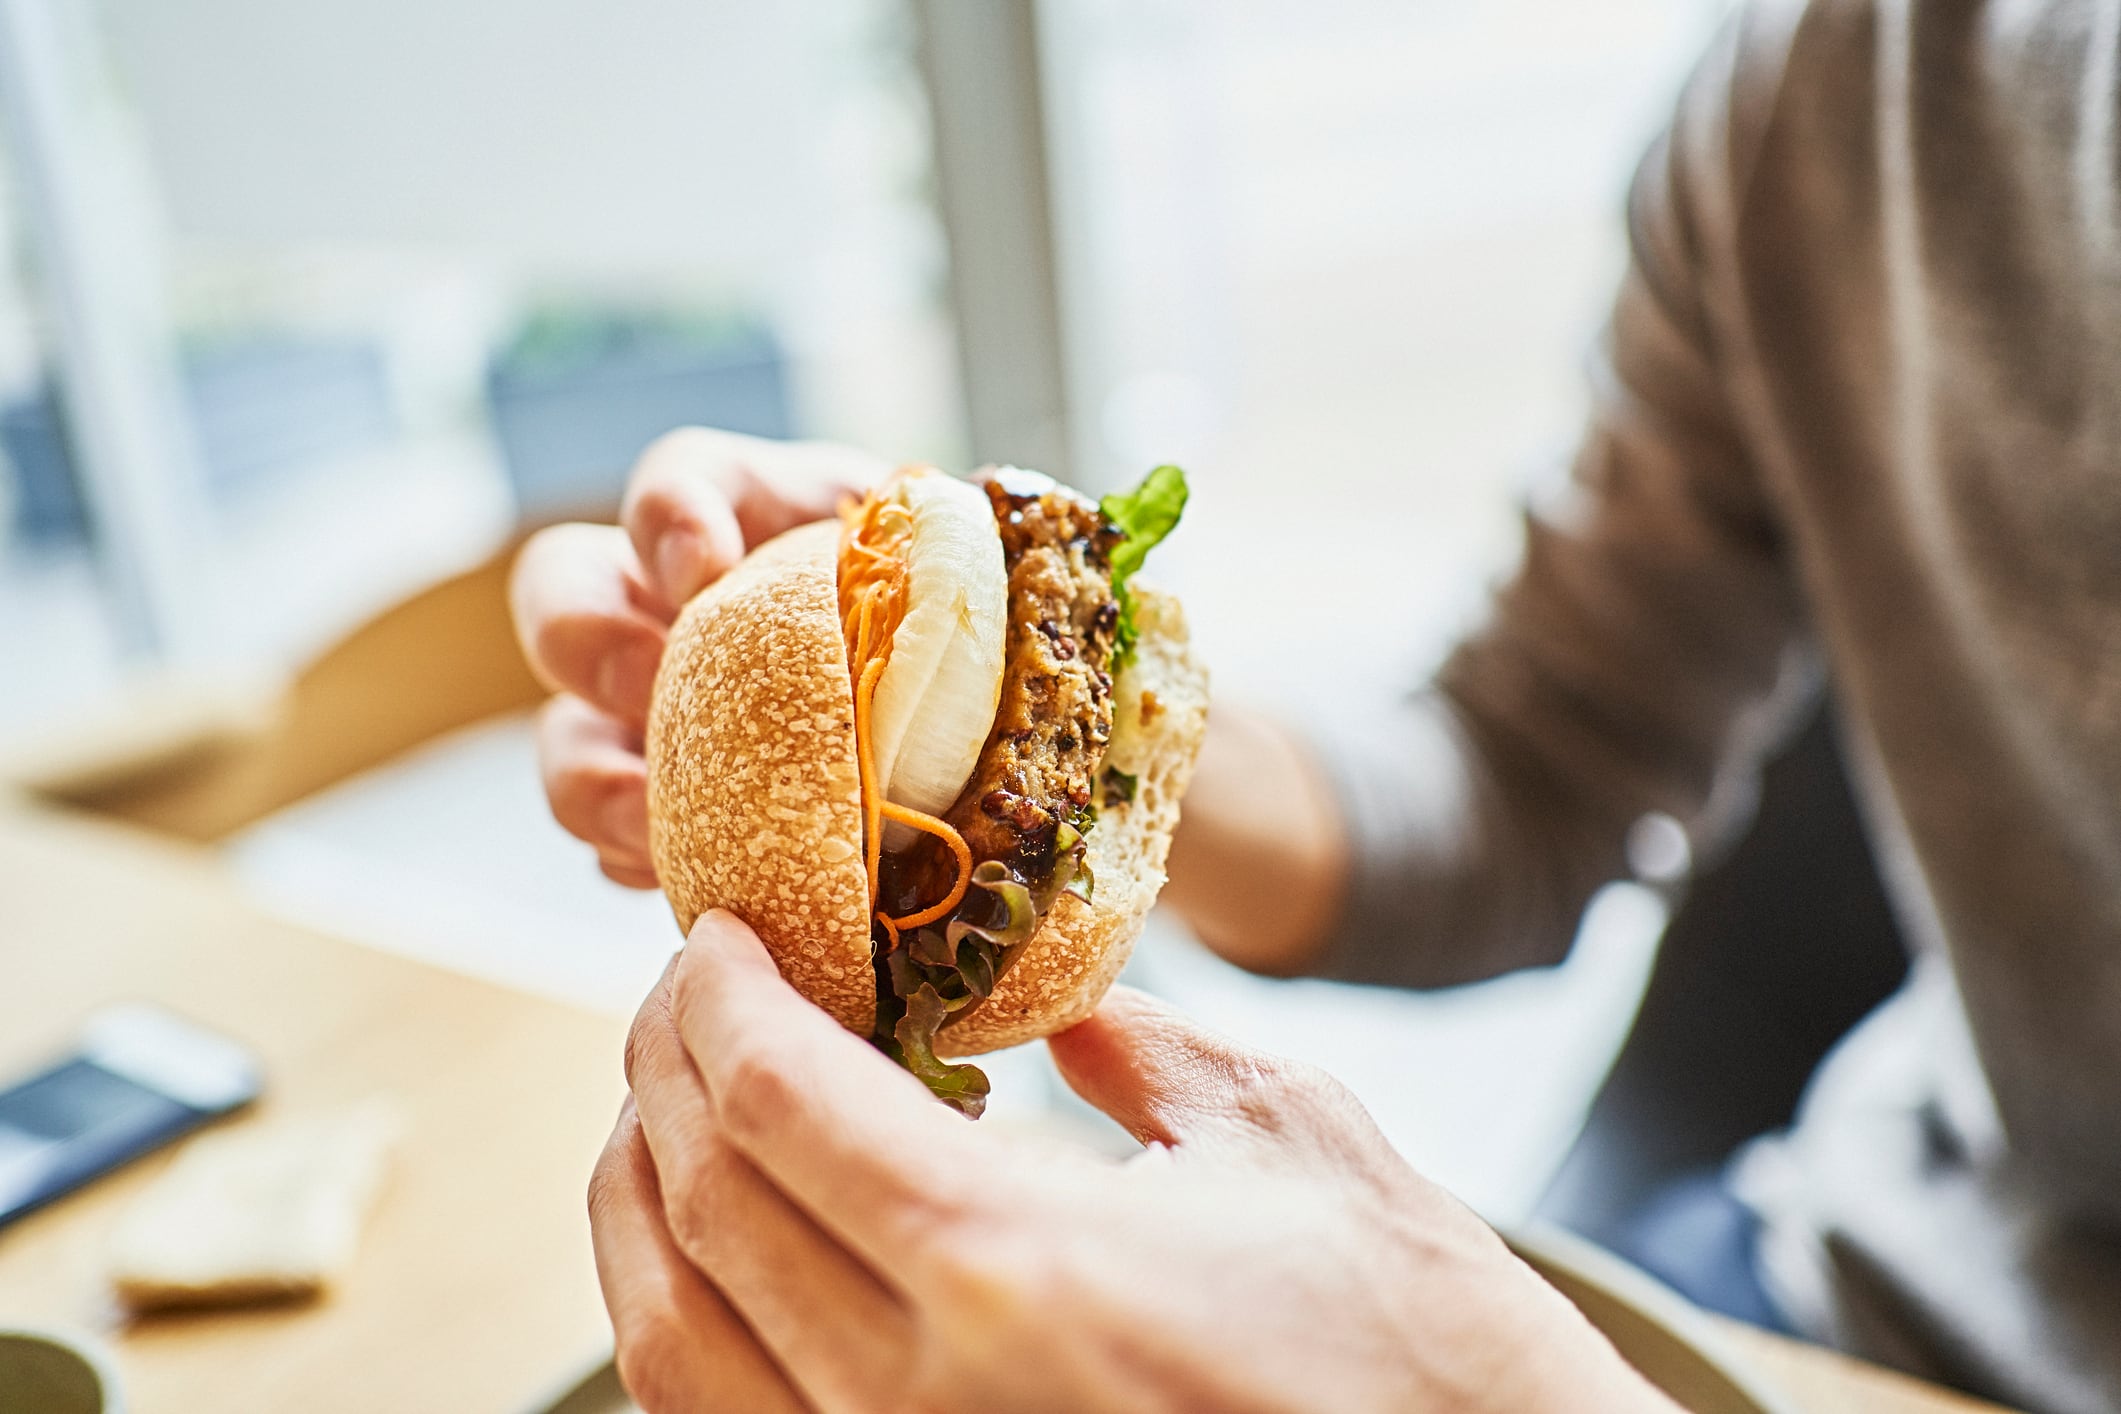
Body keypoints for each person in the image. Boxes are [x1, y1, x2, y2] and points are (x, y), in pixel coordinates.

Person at [511, 0, 2121, 1408]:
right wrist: (1010, 719)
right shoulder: (1846, 84)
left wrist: (1478, 1394)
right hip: (1888, 1269)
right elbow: (1525, 768)